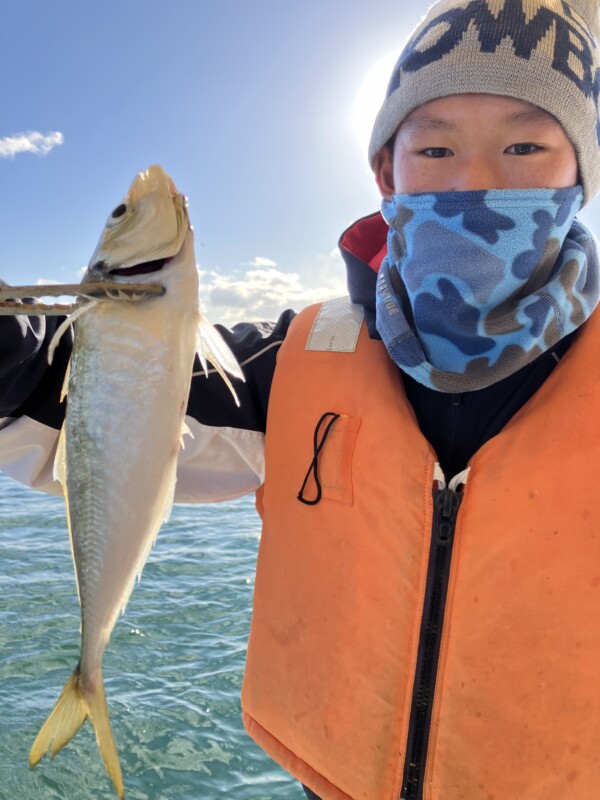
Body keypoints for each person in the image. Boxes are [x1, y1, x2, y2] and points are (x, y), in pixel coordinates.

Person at [2, 0, 600, 797]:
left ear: (581, 174)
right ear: (387, 175)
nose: (474, 182)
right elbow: (76, 406)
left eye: (526, 144)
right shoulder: (289, 366)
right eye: (436, 147)